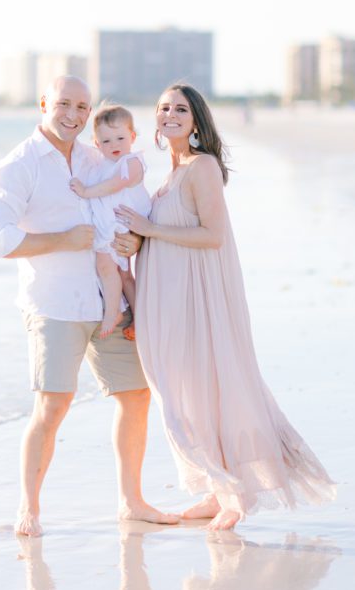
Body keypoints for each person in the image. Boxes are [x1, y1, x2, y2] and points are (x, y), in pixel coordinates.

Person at [116, 83, 336, 531]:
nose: (170, 114)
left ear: (196, 119)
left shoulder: (203, 167)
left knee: (210, 388)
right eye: (163, 108)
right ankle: (217, 489)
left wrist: (148, 230)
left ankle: (235, 494)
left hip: (197, 301)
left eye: (180, 108)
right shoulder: (171, 172)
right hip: (168, 300)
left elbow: (212, 235)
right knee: (184, 394)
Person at [0, 75, 178, 537]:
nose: (73, 114)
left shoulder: (96, 155)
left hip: (108, 300)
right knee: (52, 408)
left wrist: (130, 240)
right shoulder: (17, 167)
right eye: (64, 104)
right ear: (44, 104)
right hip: (55, 306)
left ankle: (132, 502)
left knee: (136, 397)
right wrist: (62, 240)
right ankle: (29, 508)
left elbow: (122, 202)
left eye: (82, 107)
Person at [68, 104, 151, 341]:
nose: (114, 145)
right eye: (105, 141)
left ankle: (113, 312)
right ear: (96, 143)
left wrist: (85, 191)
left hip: (123, 223)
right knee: (123, 275)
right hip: (113, 223)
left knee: (106, 266)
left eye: (120, 138)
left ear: (132, 137)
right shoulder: (100, 165)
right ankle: (138, 318)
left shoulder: (132, 162)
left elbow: (116, 185)